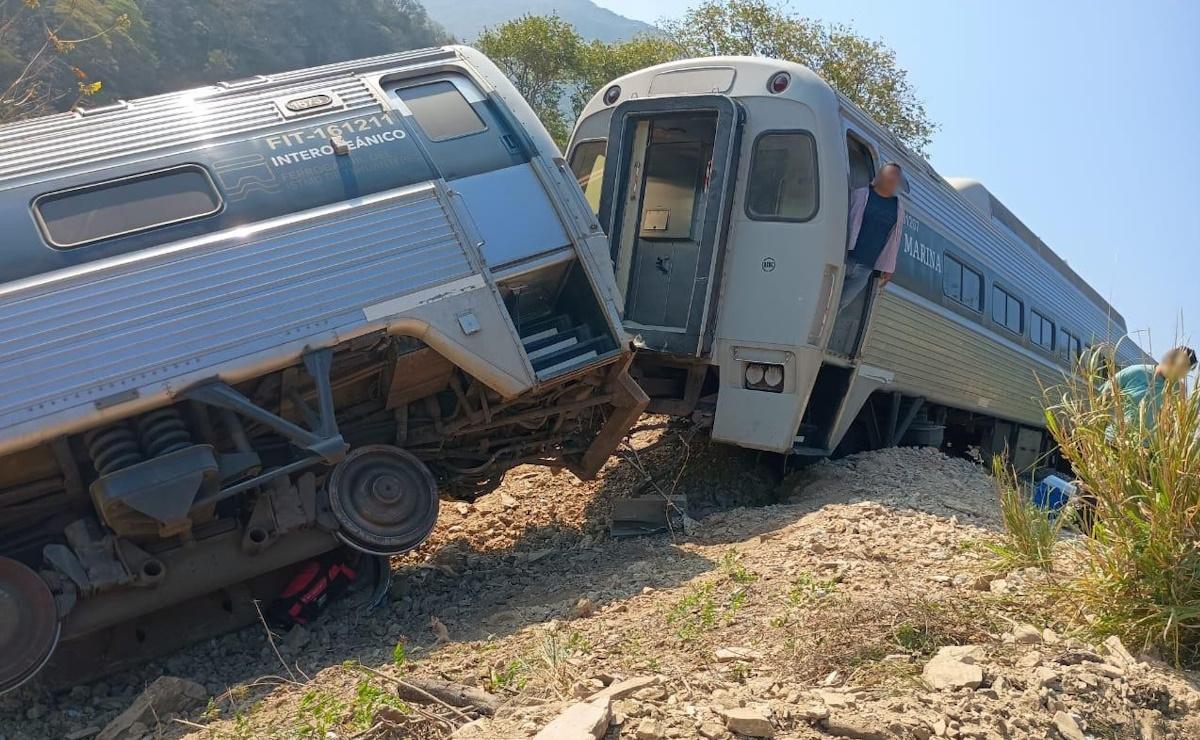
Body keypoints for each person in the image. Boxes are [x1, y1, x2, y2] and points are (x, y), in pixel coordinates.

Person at [838, 162, 906, 313]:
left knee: (840, 304)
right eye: (889, 175)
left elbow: (894, 239)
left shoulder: (898, 208)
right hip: (845, 257)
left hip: (865, 268)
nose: (892, 179)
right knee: (826, 296)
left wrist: (889, 267)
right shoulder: (860, 194)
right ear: (879, 176)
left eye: (896, 177)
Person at [1103, 346, 1196, 442]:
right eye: (1179, 368)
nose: (1180, 376)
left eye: (1184, 372)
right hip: (1114, 440)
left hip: (1145, 448)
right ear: (1169, 360)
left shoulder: (1177, 390)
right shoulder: (1136, 372)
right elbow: (1103, 396)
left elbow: (1176, 421)